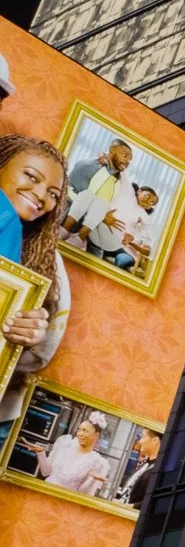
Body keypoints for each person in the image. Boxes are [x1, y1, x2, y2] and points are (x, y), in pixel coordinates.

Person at [0, 134, 71, 423]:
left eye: (53, 194)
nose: (42, 196)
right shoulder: (7, 220)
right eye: (31, 175)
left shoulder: (50, 262)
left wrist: (27, 337)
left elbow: (43, 350)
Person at [61, 138, 131, 244]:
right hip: (70, 216)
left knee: (102, 203)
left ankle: (79, 239)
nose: (127, 162)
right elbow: (69, 193)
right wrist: (102, 217)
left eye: (130, 160)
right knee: (88, 195)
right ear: (112, 150)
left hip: (92, 225)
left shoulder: (118, 181)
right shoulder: (87, 166)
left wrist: (104, 215)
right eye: (125, 156)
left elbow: (105, 206)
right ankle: (63, 232)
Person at [87, 182, 157, 270]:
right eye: (148, 196)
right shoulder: (126, 203)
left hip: (126, 251)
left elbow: (148, 251)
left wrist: (131, 241)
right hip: (110, 239)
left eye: (151, 203)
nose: (148, 202)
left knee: (121, 260)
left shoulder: (145, 224)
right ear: (139, 191)